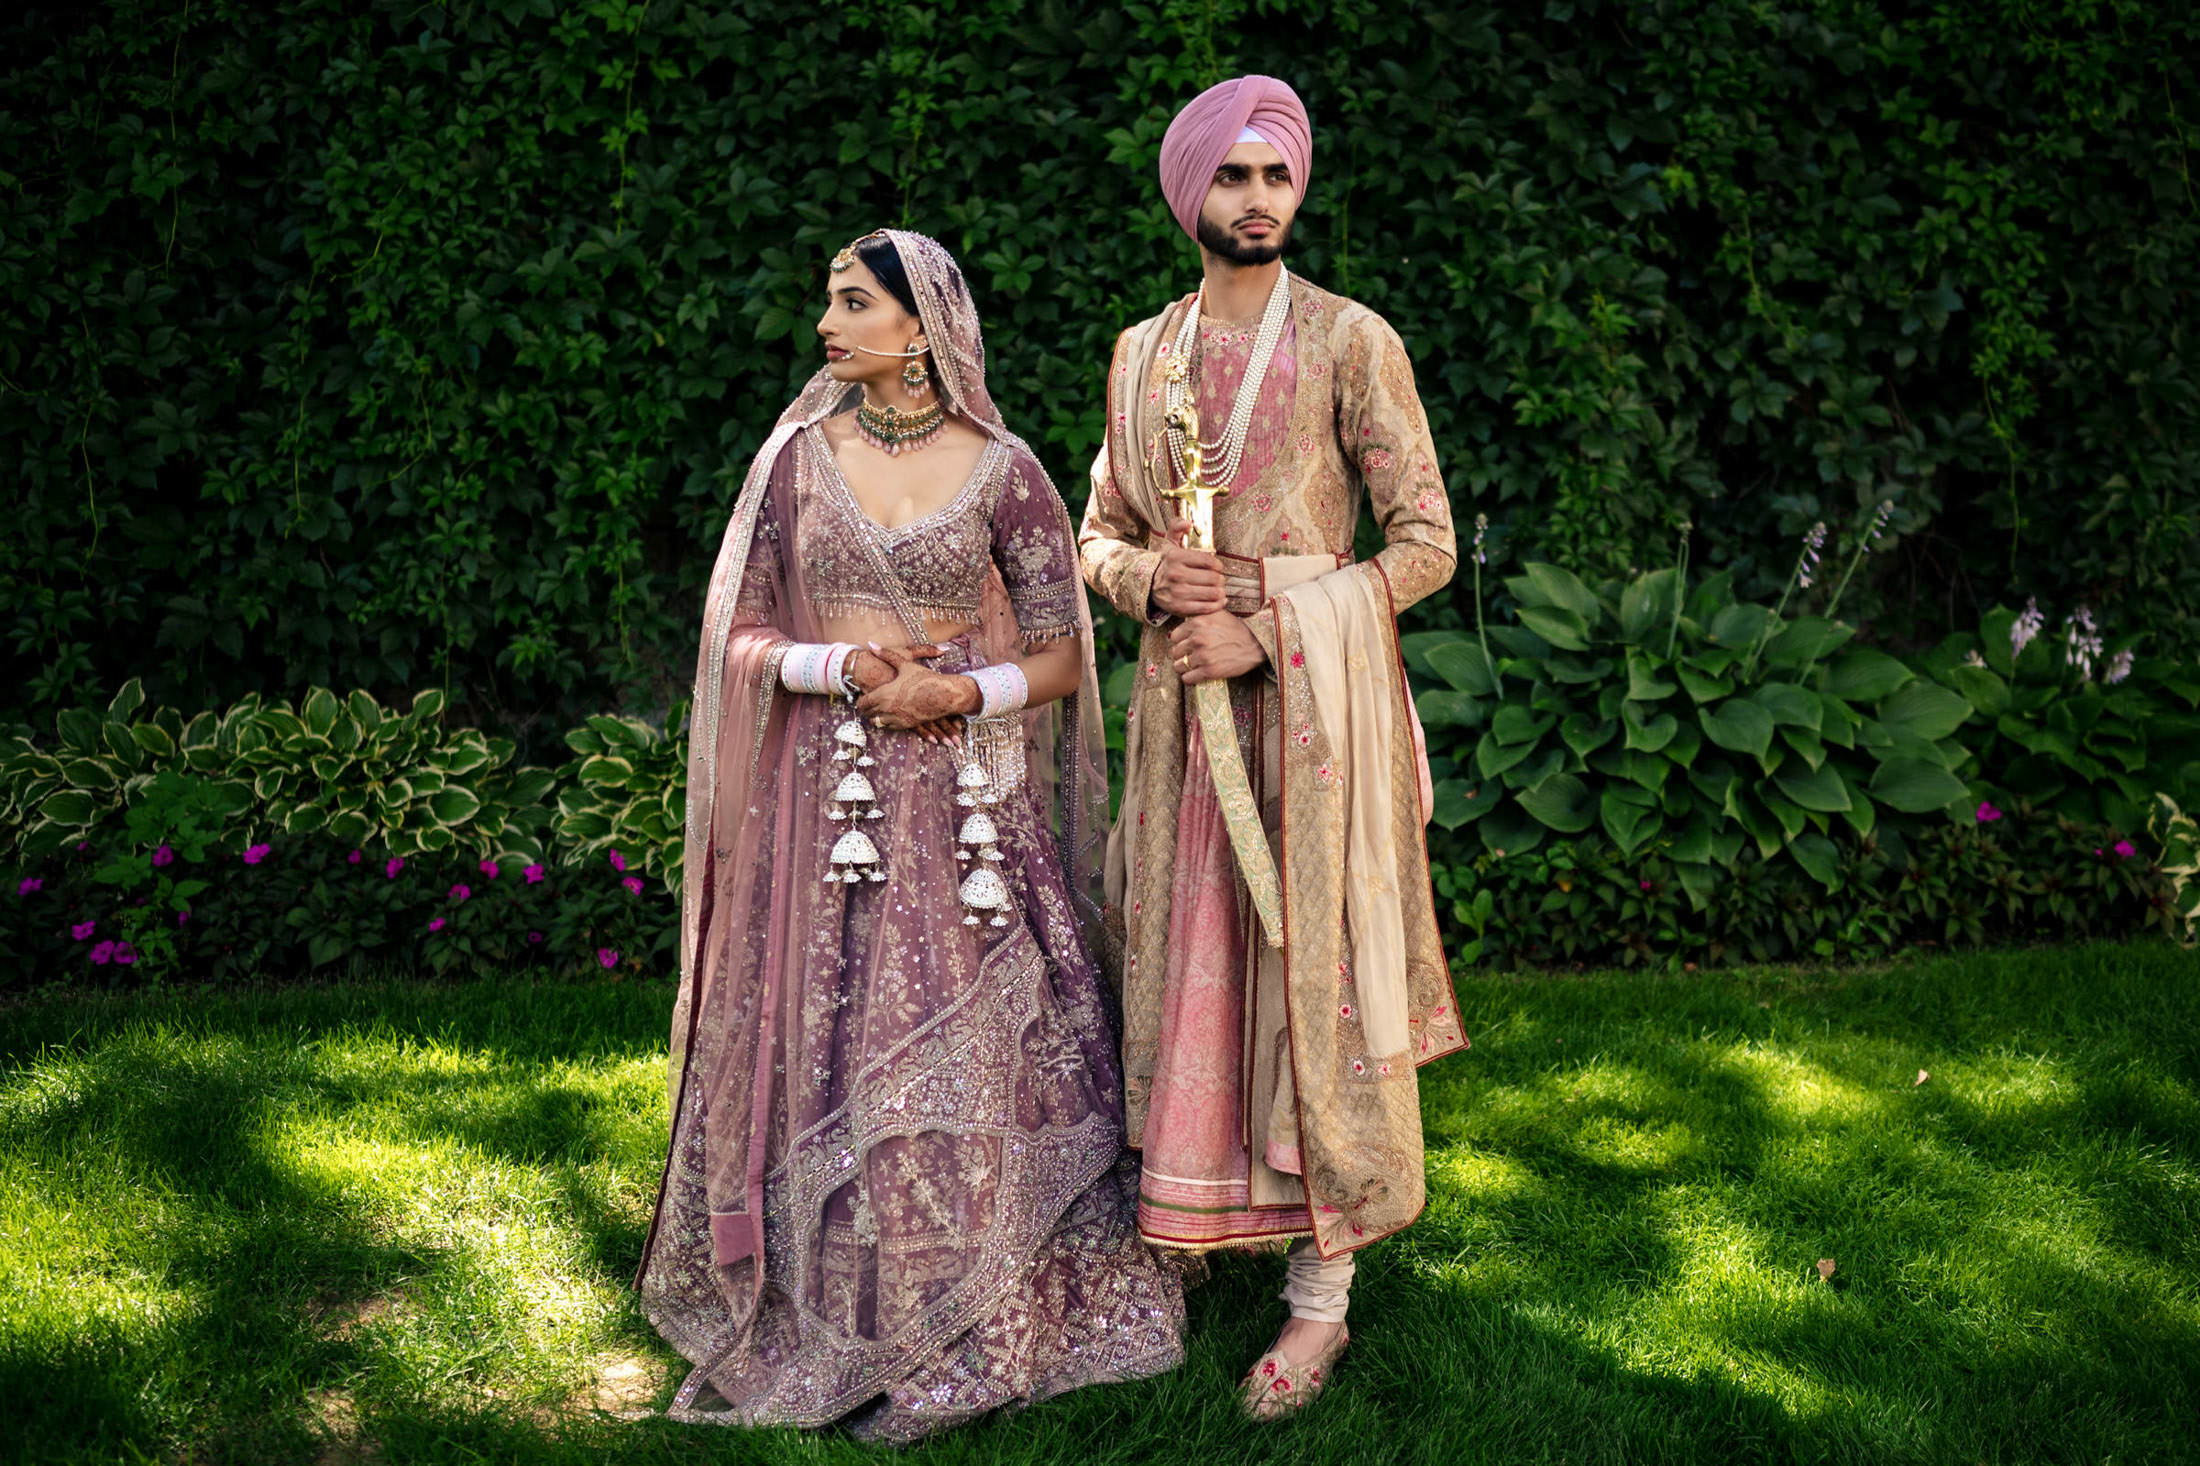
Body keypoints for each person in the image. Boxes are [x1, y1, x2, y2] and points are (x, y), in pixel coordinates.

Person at [635, 228, 1183, 1441]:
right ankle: (830, 1293)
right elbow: (737, 638)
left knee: (964, 1028)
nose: (827, 325)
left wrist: (958, 692)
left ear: (919, 326)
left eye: (849, 302)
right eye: (829, 302)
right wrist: (836, 664)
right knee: (819, 1028)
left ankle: (971, 1302)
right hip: (816, 811)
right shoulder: (792, 464)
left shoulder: (1007, 473)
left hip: (966, 816)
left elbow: (1059, 652)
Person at [1077, 75, 1469, 1420]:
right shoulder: (1141, 353)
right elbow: (1099, 531)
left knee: (1317, 978)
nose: (1257, 198)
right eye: (1233, 177)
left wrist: (1269, 626)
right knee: (1186, 963)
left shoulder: (1356, 342)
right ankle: (1179, 1236)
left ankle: (1321, 1297)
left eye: (1277, 176)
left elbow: (1426, 544)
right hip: (1185, 724)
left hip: (1312, 722)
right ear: (1191, 192)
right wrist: (1148, 587)